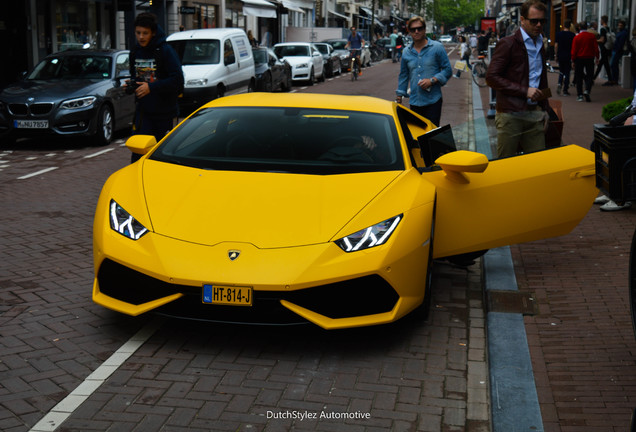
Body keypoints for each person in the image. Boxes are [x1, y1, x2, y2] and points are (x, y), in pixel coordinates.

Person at [485, 0, 549, 159]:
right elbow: (491, 77)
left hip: (534, 113)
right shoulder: (508, 44)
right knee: (506, 164)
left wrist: (545, 109)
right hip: (510, 113)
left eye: (542, 21)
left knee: (538, 163)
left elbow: (541, 79)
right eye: (534, 21)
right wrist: (524, 91)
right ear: (522, 20)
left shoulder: (541, 43)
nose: (539, 25)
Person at [127, 12, 184, 163]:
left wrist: (151, 88)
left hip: (164, 113)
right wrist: (131, 85)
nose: (141, 37)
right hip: (143, 113)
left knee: (163, 156)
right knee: (139, 154)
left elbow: (178, 79)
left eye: (145, 33)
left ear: (153, 32)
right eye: (138, 33)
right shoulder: (134, 52)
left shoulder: (165, 51)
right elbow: (137, 78)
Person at [395, 16, 452, 127]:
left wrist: (432, 80)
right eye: (413, 29)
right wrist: (400, 95)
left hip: (433, 101)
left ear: (425, 30)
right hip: (415, 101)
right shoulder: (406, 52)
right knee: (417, 135)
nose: (416, 31)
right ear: (409, 32)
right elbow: (404, 75)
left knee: (432, 134)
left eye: (419, 28)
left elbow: (448, 70)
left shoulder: (437, 47)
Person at [571, 21, 599, 102]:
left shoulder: (577, 37)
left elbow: (574, 50)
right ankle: (587, 90)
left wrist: (573, 60)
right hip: (590, 57)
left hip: (579, 58)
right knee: (590, 75)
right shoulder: (592, 36)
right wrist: (597, 57)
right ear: (587, 27)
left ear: (579, 28)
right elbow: (595, 48)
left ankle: (579, 95)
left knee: (579, 76)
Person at [555, 19, 575, 96]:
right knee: (567, 72)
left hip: (560, 54)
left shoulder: (559, 34)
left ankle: (560, 83)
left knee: (561, 71)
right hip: (568, 55)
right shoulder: (572, 35)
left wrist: (556, 55)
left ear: (563, 25)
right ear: (570, 26)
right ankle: (565, 89)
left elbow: (556, 45)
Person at [610, 20, 628, 87]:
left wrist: (617, 49)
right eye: (619, 25)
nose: (619, 26)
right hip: (616, 50)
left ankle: (615, 79)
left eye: (621, 25)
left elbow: (620, 43)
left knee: (613, 64)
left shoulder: (623, 33)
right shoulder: (620, 32)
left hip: (617, 50)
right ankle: (614, 78)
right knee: (614, 64)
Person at [596, 16, 613, 84]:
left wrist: (595, 40)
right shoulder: (608, 28)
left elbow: (602, 40)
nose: (600, 21)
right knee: (603, 63)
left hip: (604, 48)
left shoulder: (602, 29)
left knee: (604, 63)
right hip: (608, 48)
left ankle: (610, 79)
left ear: (603, 21)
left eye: (601, 20)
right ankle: (609, 78)